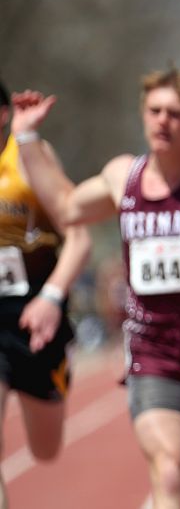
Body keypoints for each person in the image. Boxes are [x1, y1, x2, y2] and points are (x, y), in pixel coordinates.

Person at [12, 67, 180, 509]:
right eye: (154, 111)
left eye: (175, 114)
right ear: (143, 115)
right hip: (154, 348)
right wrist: (26, 138)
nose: (162, 121)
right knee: (170, 470)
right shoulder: (123, 177)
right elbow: (65, 206)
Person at [0, 77, 91, 508]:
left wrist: (52, 297)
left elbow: (79, 238)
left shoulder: (28, 156)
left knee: (45, 450)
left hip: (35, 317)